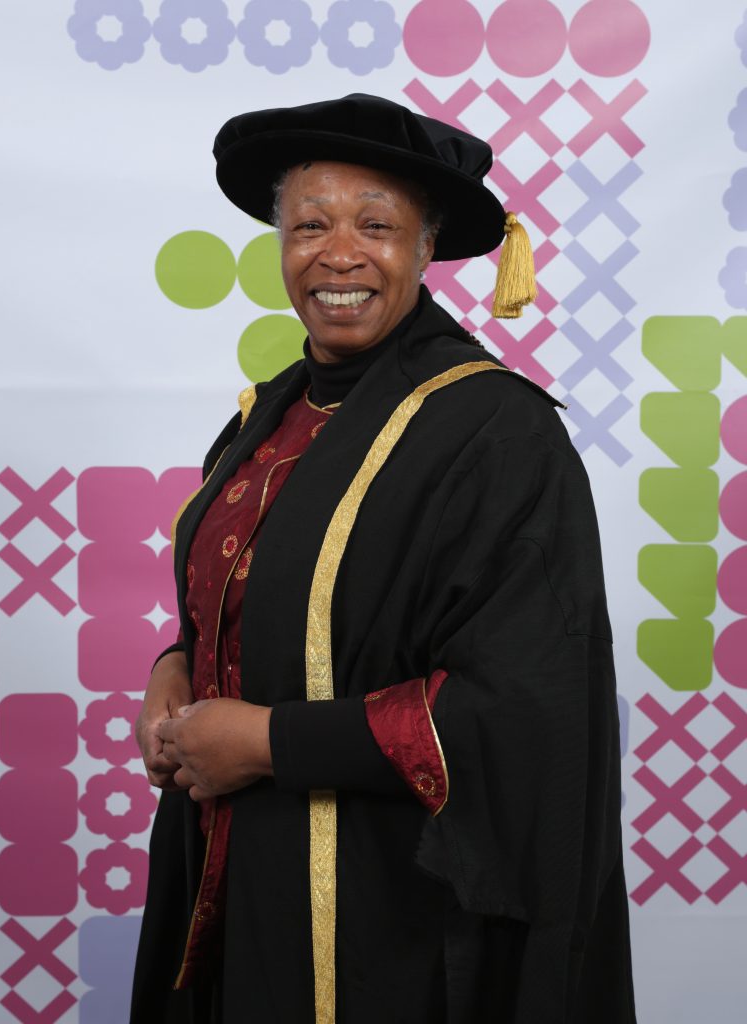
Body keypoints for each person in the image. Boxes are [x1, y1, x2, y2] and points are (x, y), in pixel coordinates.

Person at [131, 93, 636, 1024]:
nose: (339, 254)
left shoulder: (494, 431)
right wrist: (177, 666)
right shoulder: (267, 418)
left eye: (377, 225)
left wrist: (265, 741)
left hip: (398, 915)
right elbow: (243, 605)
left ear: (427, 245)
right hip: (239, 881)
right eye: (308, 224)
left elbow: (523, 709)